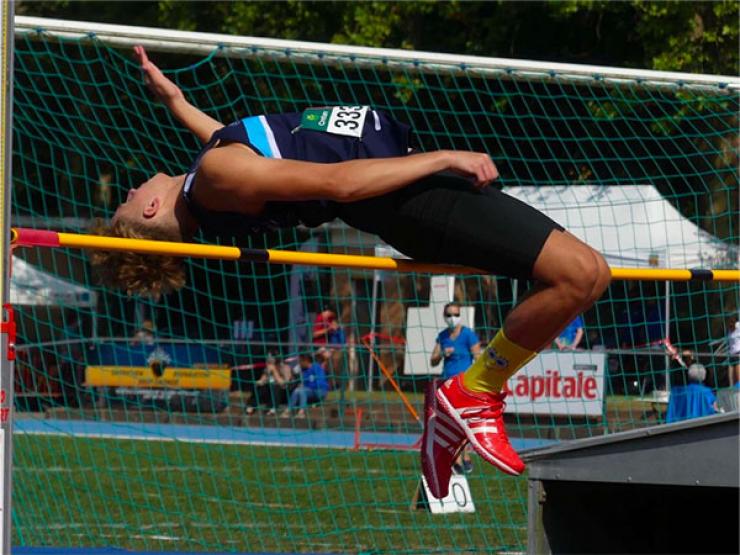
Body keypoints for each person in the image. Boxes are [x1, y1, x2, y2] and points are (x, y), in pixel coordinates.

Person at [93, 47, 611, 498]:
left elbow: (224, 143)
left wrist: (174, 100)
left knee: (589, 276)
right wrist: (442, 158)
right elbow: (340, 183)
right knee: (579, 274)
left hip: (406, 195)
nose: (131, 189)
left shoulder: (213, 177)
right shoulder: (217, 175)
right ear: (148, 210)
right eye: (128, 200)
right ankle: (469, 394)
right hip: (408, 201)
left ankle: (456, 412)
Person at [430, 301, 481, 474]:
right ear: (445, 317)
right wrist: (443, 353)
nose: (453, 318)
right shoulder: (442, 336)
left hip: (465, 384)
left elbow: (478, 357)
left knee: (463, 421)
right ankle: (457, 458)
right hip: (447, 383)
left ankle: (464, 455)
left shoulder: (468, 335)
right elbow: (433, 360)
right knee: (452, 421)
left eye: (456, 314)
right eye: (449, 314)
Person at [282, 353, 329, 418]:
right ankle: (288, 410)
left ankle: (301, 412)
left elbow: (320, 383)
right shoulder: (303, 371)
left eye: (300, 361)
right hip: (309, 392)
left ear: (306, 361)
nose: (299, 363)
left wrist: (307, 387)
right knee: (297, 390)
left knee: (302, 390)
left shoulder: (316, 367)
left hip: (320, 391)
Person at [727, 317, 740, 387]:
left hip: (738, 355)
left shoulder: (738, 326)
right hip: (731, 356)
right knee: (731, 381)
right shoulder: (728, 331)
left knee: (738, 380)